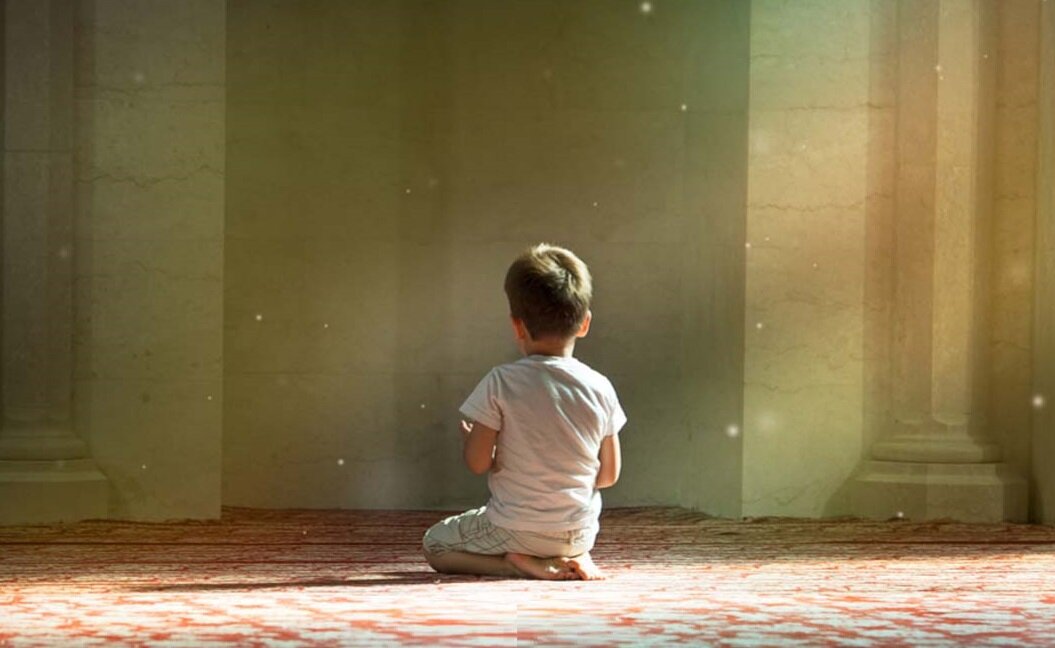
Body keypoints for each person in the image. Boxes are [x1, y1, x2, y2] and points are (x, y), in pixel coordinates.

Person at [422, 243, 626, 581]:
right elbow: (608, 476)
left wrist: (473, 440)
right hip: (580, 531)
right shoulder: (601, 387)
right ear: (584, 323)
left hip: (515, 529)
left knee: (435, 543)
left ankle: (514, 563)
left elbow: (477, 464)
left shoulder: (501, 381)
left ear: (517, 326)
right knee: (563, 528)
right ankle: (573, 555)